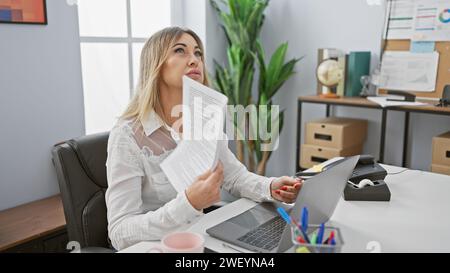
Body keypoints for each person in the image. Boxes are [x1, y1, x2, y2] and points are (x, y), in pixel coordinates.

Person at [105, 27, 303, 251]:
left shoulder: (204, 119)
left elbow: (233, 176)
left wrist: (270, 187)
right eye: (180, 51)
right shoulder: (127, 136)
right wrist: (188, 203)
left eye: (198, 53)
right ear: (156, 65)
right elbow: (120, 233)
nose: (194, 60)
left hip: (202, 238)